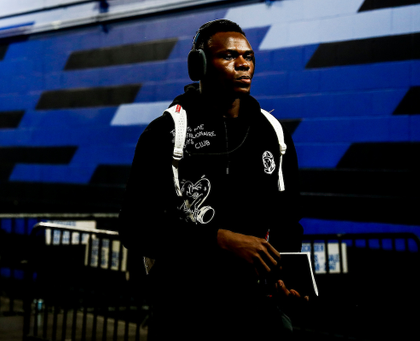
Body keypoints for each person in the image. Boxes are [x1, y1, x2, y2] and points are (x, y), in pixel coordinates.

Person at [118, 19, 304, 341]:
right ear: (199, 65)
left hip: (253, 309)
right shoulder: (165, 134)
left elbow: (287, 218)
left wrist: (284, 277)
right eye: (229, 56)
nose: (244, 64)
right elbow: (135, 227)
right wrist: (219, 238)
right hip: (185, 312)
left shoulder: (272, 134)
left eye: (248, 56)